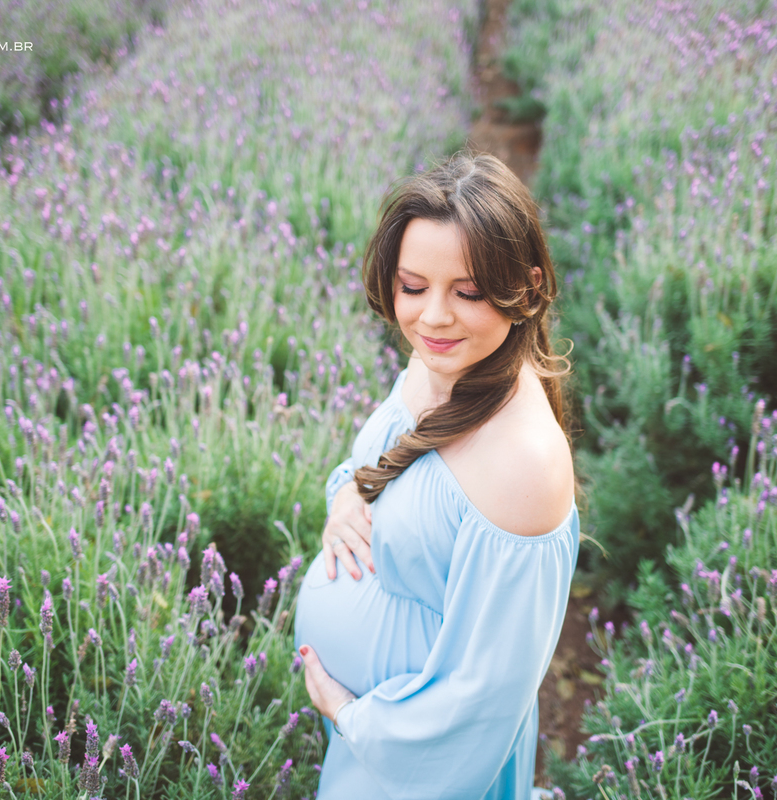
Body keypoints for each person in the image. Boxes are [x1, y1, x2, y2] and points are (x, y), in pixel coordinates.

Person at [293, 152, 579, 799]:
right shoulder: (437, 367)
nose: (433, 318)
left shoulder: (525, 462)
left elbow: (487, 697)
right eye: (413, 286)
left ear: (527, 287)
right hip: (373, 739)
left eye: (469, 291)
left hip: (423, 767)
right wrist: (345, 495)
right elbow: (382, 462)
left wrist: (355, 717)